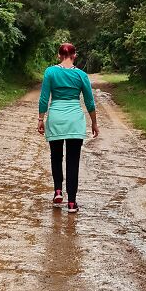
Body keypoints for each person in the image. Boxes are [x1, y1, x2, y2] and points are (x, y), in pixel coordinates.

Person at [38, 43, 98, 213]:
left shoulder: (50, 72)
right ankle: (72, 202)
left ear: (59, 56)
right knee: (73, 161)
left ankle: (58, 190)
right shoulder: (81, 75)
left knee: (56, 156)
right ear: (74, 55)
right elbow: (89, 102)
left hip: (56, 118)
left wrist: (40, 119)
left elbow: (44, 99)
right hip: (74, 120)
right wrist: (94, 122)